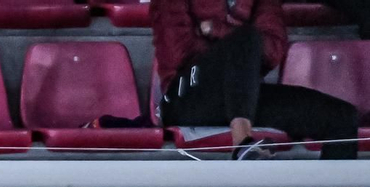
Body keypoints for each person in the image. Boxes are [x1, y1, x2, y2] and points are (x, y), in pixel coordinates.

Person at [151, 0, 360, 159]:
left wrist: (215, 30)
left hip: (239, 94)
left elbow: (273, 49)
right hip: (185, 96)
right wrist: (238, 45)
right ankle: (243, 142)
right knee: (247, 37)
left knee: (341, 117)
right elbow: (179, 54)